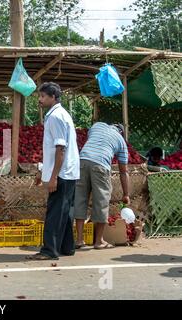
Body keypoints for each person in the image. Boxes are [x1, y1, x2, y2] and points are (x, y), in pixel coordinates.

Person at [28, 82, 80, 260]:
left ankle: (49, 250)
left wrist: (53, 177)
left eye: (43, 96)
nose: (40, 100)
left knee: (55, 211)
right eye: (39, 96)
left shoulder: (55, 117)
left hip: (62, 172)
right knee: (65, 211)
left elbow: (60, 149)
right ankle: (67, 247)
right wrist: (43, 171)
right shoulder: (61, 115)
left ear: (53, 98)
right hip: (69, 171)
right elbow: (52, 150)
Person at [74, 122, 130, 250]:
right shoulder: (121, 141)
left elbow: (93, 142)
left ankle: (79, 240)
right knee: (101, 202)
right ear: (121, 132)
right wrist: (126, 194)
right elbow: (123, 172)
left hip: (82, 161)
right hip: (100, 166)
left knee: (80, 200)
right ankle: (99, 241)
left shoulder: (97, 126)